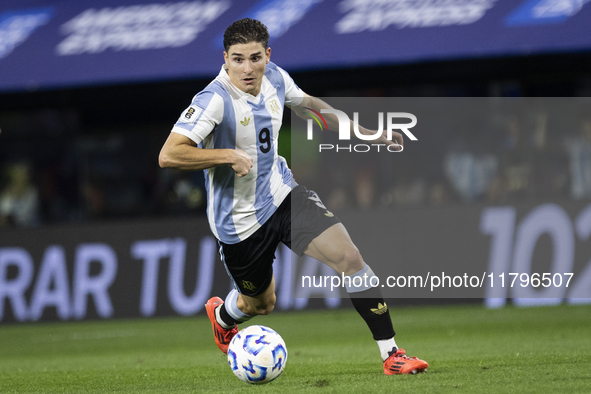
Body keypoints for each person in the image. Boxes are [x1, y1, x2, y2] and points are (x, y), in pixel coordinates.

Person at [159, 18, 428, 375]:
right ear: (225, 59)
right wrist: (227, 155)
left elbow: (313, 109)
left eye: (255, 58)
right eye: (237, 59)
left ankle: (392, 354)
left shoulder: (275, 78)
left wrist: (370, 134)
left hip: (282, 194)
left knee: (349, 257)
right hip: (239, 224)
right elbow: (169, 154)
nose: (247, 68)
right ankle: (223, 316)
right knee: (260, 304)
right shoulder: (214, 100)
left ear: (268, 55)